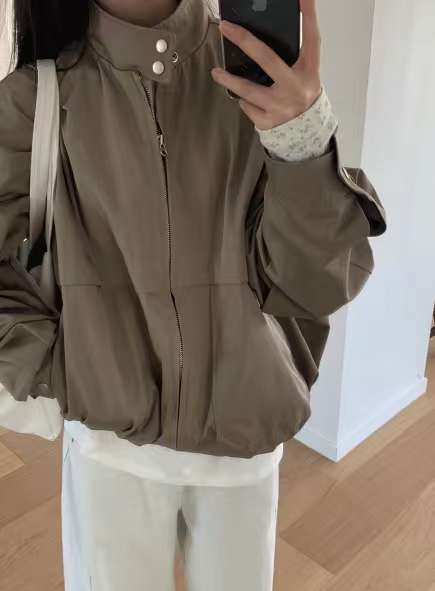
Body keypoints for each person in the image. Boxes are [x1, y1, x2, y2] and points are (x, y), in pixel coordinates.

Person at [0, 0, 387, 589]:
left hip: (245, 446)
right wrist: (60, 371)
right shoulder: (37, 100)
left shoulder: (259, 77)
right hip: (112, 453)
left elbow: (312, 283)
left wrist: (303, 143)